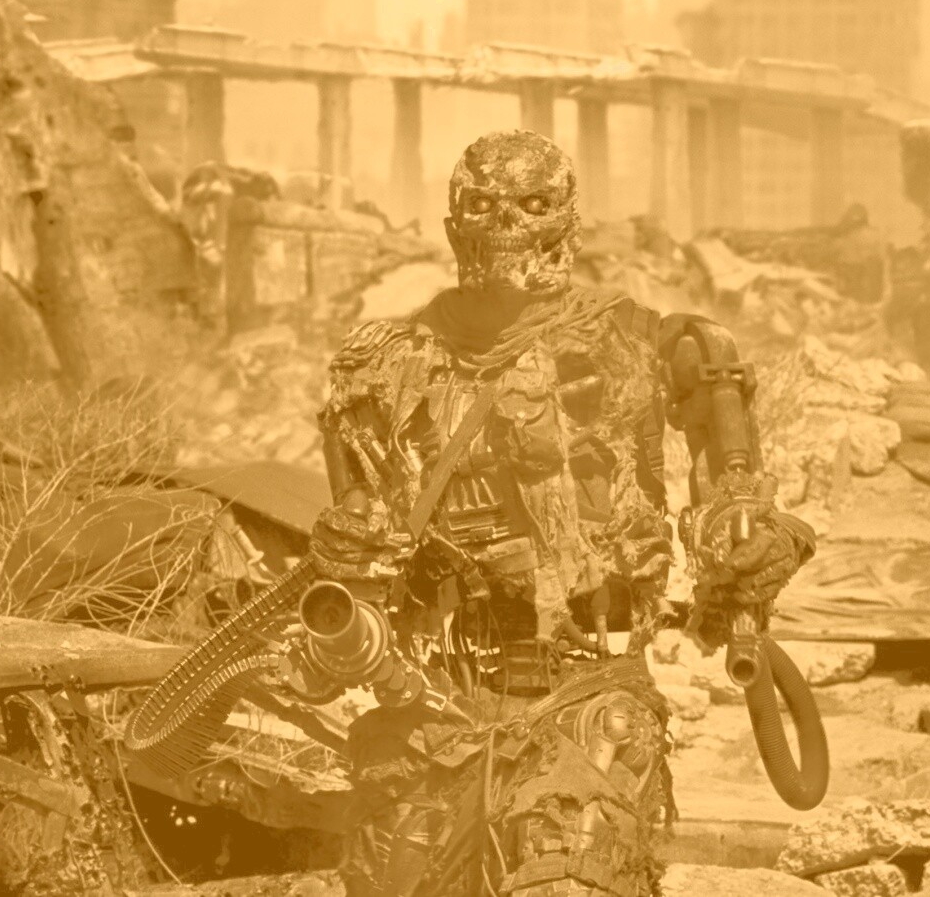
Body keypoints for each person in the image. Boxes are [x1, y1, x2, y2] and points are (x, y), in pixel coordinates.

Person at [300, 130, 816, 896]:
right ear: (455, 223)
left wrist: (741, 536)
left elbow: (728, 480)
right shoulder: (388, 363)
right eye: (485, 206)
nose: (507, 225)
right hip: (437, 697)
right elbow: (357, 531)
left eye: (531, 205)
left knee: (573, 865)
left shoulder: (637, 341)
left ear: (566, 221)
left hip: (587, 685)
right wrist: (347, 573)